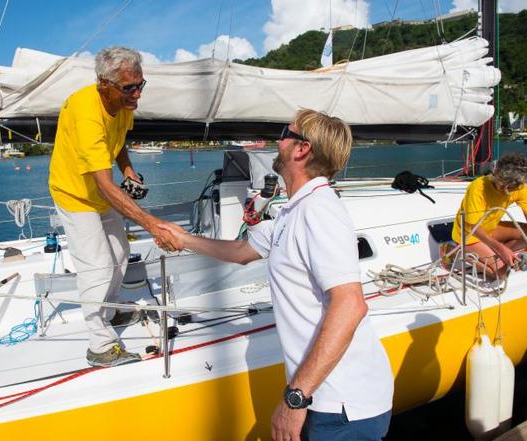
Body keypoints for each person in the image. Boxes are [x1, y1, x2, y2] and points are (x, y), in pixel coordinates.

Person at [160, 110, 394, 441]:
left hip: (341, 404)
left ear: (302, 149)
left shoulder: (320, 211)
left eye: (286, 132)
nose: (277, 140)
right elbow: (241, 252)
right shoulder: (292, 211)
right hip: (325, 397)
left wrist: (295, 399)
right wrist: (182, 239)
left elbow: (350, 306)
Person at [49, 46, 180, 368]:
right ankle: (100, 346)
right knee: (97, 266)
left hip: (98, 193)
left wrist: (127, 169)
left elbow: (118, 143)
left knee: (119, 256)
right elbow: (105, 186)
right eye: (129, 88)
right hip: (75, 195)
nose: (137, 95)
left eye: (140, 85)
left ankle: (109, 311)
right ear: (103, 84)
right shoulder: (86, 112)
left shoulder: (123, 102)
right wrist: (152, 224)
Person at [452, 152, 527, 277]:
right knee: (501, 273)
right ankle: (454, 252)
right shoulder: (478, 187)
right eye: (503, 186)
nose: (506, 191)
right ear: (495, 175)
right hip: (468, 234)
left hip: (490, 229)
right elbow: (472, 228)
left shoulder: (520, 187)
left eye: (511, 188)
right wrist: (501, 249)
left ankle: (493, 254)